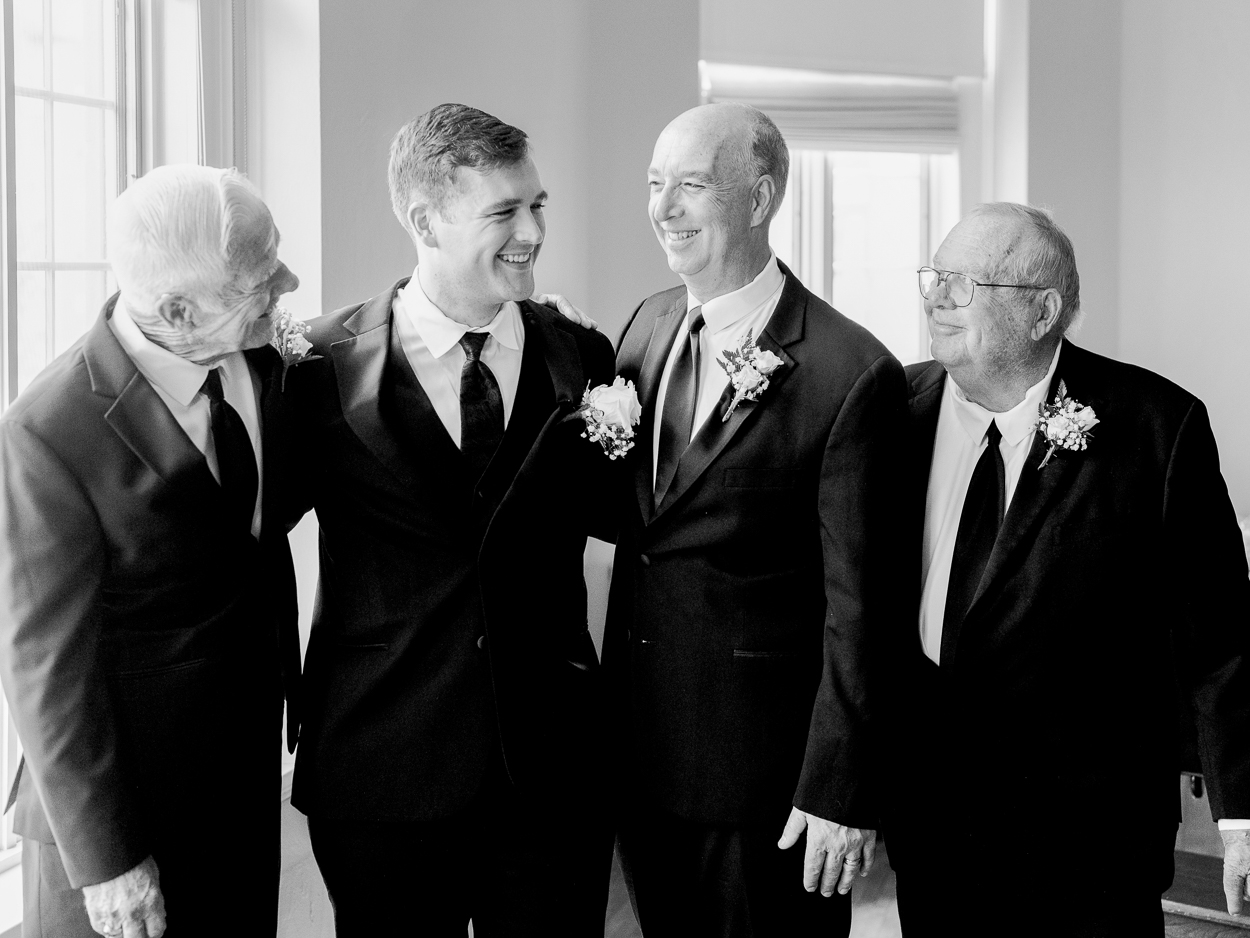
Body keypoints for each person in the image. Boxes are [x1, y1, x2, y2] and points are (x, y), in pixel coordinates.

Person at [284, 103, 616, 936]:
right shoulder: (318, 370)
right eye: (504, 211)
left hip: (550, 772)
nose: (533, 231)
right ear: (425, 220)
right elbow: (234, 540)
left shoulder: (585, 355)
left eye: (538, 205)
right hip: (379, 771)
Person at [888, 202, 1250, 936]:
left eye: (965, 282)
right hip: (930, 817)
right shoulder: (890, 408)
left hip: (1093, 833)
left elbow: (1221, 638)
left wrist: (1241, 815)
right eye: (935, 277)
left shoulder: (1157, 426)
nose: (936, 298)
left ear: (1042, 310)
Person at [602, 102, 909, 937]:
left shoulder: (851, 371)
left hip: (766, 787)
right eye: (657, 185)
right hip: (640, 759)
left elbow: (863, 608)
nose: (664, 210)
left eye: (692, 186)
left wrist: (837, 788)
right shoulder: (646, 323)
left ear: (760, 195)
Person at [0, 165, 302, 938]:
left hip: (239, 787)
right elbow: (45, 667)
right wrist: (109, 862)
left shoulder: (260, 359)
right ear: (178, 308)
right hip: (122, 818)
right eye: (265, 277)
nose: (289, 282)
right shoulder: (47, 430)